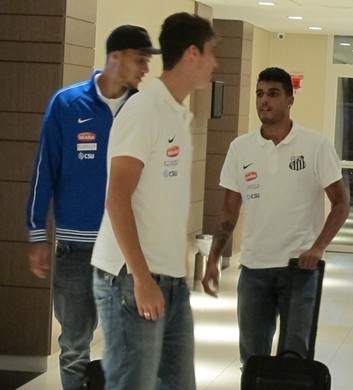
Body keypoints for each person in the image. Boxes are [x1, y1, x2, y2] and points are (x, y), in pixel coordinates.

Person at [25, 24, 158, 389]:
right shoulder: (67, 104)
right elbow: (44, 169)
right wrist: (37, 234)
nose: (146, 67)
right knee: (74, 345)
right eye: (140, 59)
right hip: (75, 248)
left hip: (128, 252)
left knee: (131, 345)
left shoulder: (145, 110)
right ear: (115, 57)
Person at [90, 12, 217, 389]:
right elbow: (117, 199)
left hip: (171, 279)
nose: (216, 63)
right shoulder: (145, 110)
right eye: (211, 53)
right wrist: (142, 279)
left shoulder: (178, 114)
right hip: (131, 278)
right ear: (191, 53)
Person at [202, 67, 350, 365]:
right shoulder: (240, 148)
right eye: (259, 94)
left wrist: (318, 247)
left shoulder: (315, 145)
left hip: (300, 270)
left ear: (290, 100)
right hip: (254, 269)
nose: (264, 101)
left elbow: (341, 203)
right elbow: (229, 210)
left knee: (295, 359)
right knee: (252, 359)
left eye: (273, 94)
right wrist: (213, 258)